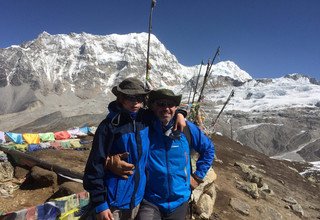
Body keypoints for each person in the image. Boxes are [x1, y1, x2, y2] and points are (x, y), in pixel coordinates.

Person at [83, 78, 186, 220]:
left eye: (140, 98)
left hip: (137, 200)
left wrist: (180, 113)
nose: (136, 102)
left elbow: (165, 110)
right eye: (130, 98)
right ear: (121, 98)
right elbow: (94, 166)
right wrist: (100, 203)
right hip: (113, 202)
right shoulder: (109, 126)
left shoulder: (145, 119)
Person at [107, 89, 215, 220]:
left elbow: (208, 149)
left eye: (170, 104)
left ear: (176, 107)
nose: (166, 108)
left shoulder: (187, 129)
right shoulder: (144, 127)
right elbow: (123, 114)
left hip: (179, 200)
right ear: (152, 106)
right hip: (151, 200)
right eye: (161, 104)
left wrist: (197, 177)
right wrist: (109, 161)